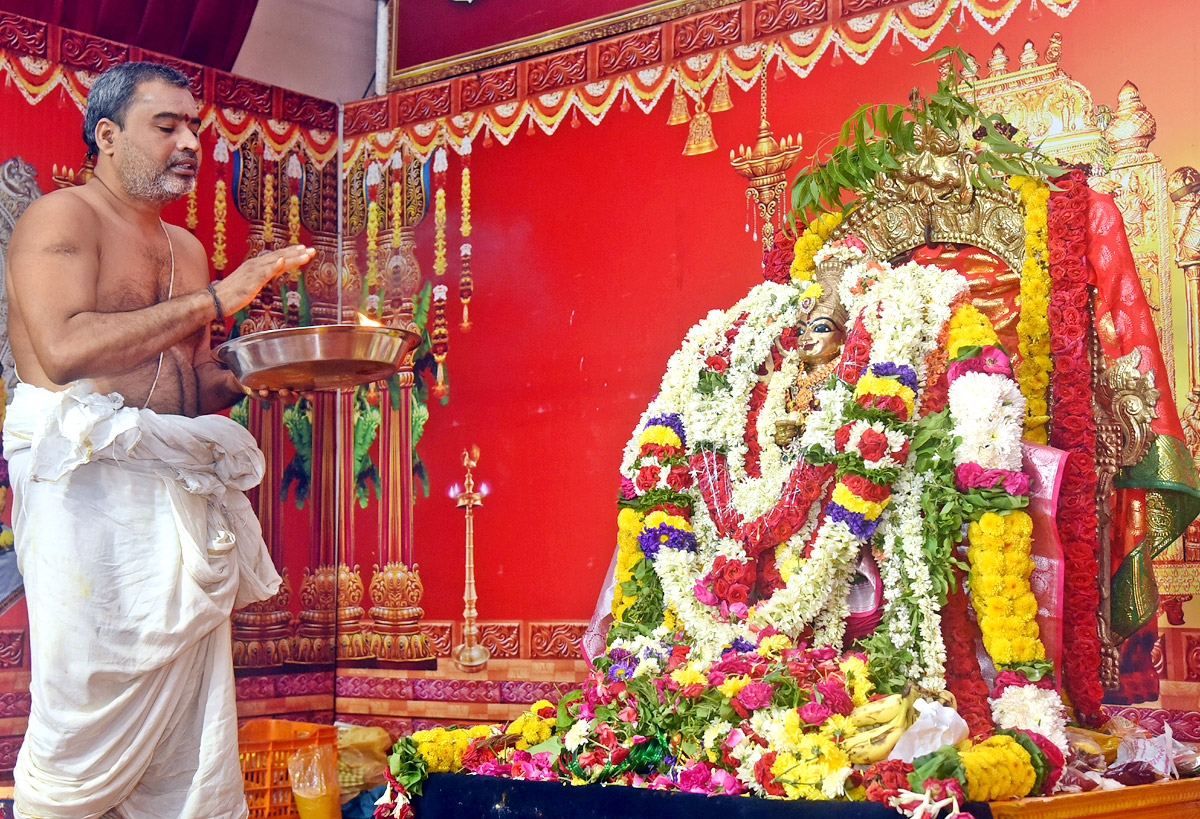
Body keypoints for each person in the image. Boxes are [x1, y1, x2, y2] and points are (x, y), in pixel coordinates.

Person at [2, 61, 315, 819]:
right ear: (107, 136)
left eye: (194, 128)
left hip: (172, 490)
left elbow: (191, 382)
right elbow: (65, 348)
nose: (188, 143)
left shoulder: (188, 247)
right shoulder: (63, 219)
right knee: (84, 710)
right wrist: (217, 298)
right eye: (165, 125)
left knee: (186, 738)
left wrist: (267, 369)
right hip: (88, 498)